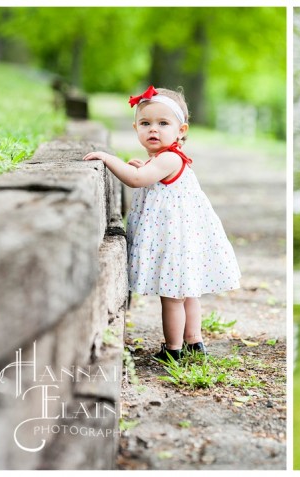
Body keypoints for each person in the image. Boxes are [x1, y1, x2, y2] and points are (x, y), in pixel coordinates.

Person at [84, 85, 241, 362]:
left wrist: (110, 160)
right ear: (136, 128)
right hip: (182, 238)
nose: (153, 130)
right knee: (188, 293)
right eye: (146, 123)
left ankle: (173, 349)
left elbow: (136, 180)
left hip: (174, 241)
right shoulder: (163, 159)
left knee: (172, 297)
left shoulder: (168, 158)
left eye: (163, 123)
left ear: (181, 130)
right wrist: (141, 165)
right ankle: (194, 342)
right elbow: (146, 174)